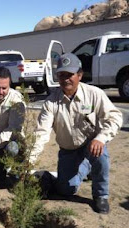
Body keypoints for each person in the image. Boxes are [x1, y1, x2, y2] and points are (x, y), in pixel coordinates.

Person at [30, 53, 123, 214]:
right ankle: (85, 168)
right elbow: (42, 133)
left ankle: (101, 195)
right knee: (66, 190)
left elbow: (115, 117)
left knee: (101, 155)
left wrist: (101, 138)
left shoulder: (94, 94)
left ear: (79, 75)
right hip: (68, 150)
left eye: (70, 75)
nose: (65, 79)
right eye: (61, 75)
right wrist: (30, 159)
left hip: (91, 144)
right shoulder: (51, 102)